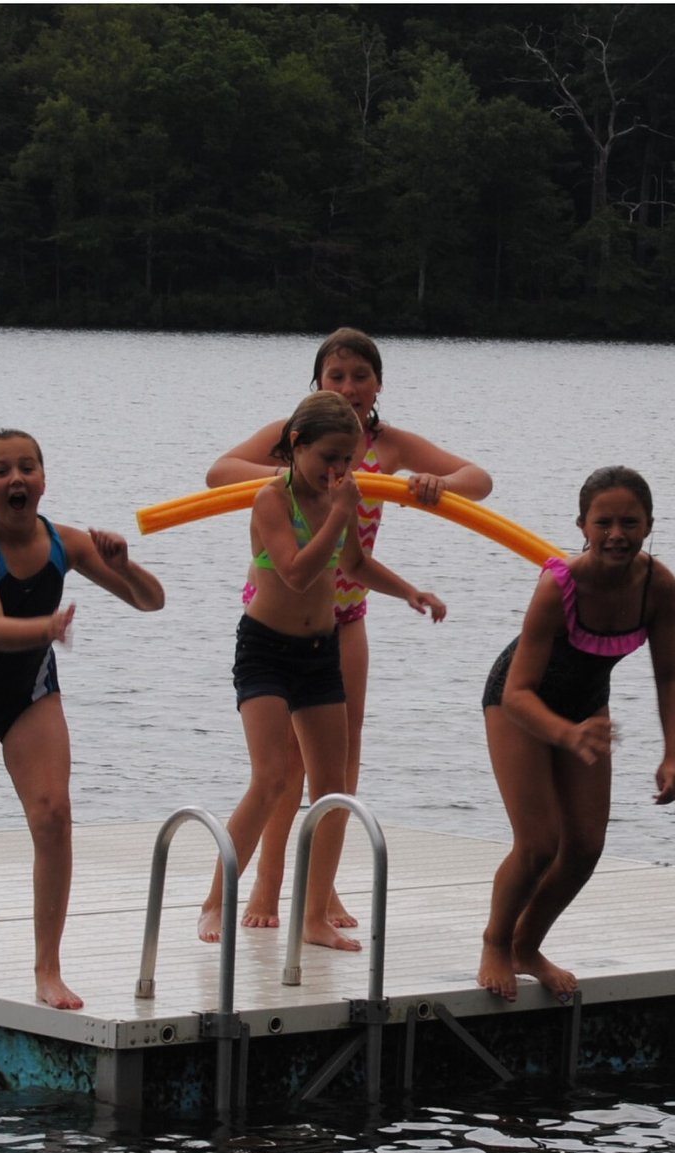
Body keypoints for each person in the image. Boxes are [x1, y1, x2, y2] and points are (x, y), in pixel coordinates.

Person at [207, 327, 490, 929]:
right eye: (336, 376)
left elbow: (478, 480)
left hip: (345, 617)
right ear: (317, 386)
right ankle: (264, 889)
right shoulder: (298, 440)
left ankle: (321, 893)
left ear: (378, 385)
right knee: (282, 764)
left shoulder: (384, 448)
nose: (349, 386)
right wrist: (284, 474)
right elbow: (217, 472)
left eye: (360, 376)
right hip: (279, 618)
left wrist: (435, 486)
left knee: (340, 758)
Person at [0, 428, 165, 1010]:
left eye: (27, 468)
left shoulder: (67, 542)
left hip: (32, 693)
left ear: (43, 479)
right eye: (2, 471)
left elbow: (150, 602)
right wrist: (49, 628)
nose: (16, 479)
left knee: (54, 817)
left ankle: (48, 969)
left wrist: (126, 566)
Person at [477, 466, 675, 1001]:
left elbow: (669, 676)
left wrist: (673, 756)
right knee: (538, 845)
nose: (617, 533)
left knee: (586, 847)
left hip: (585, 706)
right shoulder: (559, 586)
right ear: (582, 526)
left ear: (649, 525)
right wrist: (565, 735)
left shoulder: (657, 586)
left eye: (630, 522)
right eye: (605, 522)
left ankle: (529, 945)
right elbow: (519, 690)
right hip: (518, 704)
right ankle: (496, 942)